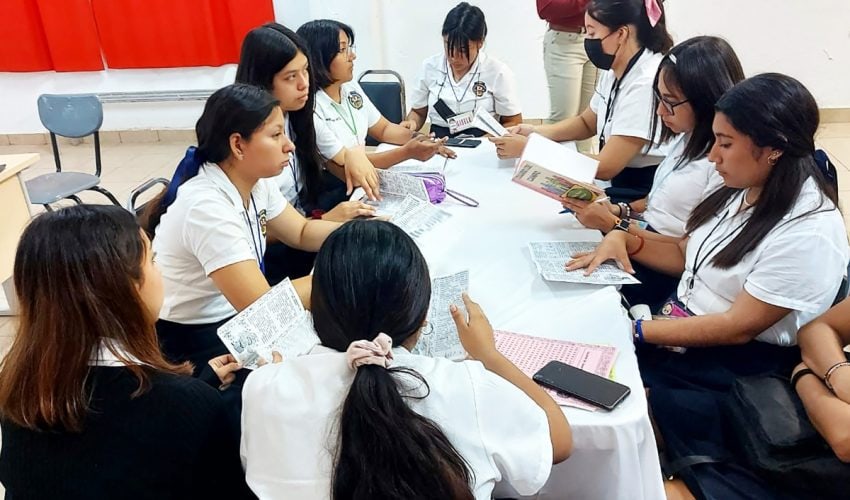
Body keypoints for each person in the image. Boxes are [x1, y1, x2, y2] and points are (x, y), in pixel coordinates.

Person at [240, 220, 572, 499]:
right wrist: (489, 355)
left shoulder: (263, 387)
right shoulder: (465, 387)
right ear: (422, 317)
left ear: (316, 309)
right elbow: (558, 441)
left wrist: (274, 379)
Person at [565, 73, 849, 393]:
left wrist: (635, 330)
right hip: (681, 329)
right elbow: (684, 253)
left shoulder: (808, 233)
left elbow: (735, 327)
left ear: (775, 149)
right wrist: (623, 236)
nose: (713, 156)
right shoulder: (744, 187)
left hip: (733, 369)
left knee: (590, 384)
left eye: (725, 144)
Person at [0, 205, 253, 499]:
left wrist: (199, 387)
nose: (160, 272)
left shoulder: (17, 385)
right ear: (127, 286)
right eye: (153, 261)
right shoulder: (187, 405)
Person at [146, 84, 340, 374]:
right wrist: (338, 275)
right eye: (276, 135)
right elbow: (263, 308)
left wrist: (360, 233)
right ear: (238, 145)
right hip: (193, 339)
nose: (289, 145)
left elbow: (300, 231)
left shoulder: (255, 181)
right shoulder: (206, 207)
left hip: (233, 314)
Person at [562, 36, 744, 311]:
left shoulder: (724, 166)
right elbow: (660, 202)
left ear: (705, 99)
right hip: (644, 238)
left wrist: (615, 225)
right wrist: (620, 212)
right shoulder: (687, 137)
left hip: (662, 270)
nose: (660, 111)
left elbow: (688, 257)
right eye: (658, 98)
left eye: (669, 102)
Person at [660, 297, 850, 500]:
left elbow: (843, 439)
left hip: (815, 475)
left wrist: (803, 374)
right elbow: (816, 330)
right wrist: (837, 372)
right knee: (654, 410)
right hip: (778, 428)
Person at [236, 22, 378, 284]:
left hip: (301, 223)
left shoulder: (297, 114)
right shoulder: (249, 142)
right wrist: (324, 219)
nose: (305, 84)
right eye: (291, 77)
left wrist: (355, 155)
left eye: (305, 71)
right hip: (275, 249)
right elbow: (255, 232)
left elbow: (344, 157)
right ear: (263, 80)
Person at [491, 0, 673, 203]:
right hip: (617, 180)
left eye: (592, 33)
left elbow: (605, 167)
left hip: (641, 191)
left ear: (621, 34)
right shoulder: (617, 67)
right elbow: (586, 123)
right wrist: (535, 132)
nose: (587, 40)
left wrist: (530, 150)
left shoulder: (645, 84)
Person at [297, 19, 456, 170]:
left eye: (350, 48)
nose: (352, 56)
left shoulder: (350, 87)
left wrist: (424, 140)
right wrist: (407, 152)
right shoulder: (313, 108)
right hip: (340, 182)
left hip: (366, 175)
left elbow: (384, 129)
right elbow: (350, 166)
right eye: (343, 50)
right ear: (319, 57)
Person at [403, 2, 523, 138]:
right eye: (448, 46)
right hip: (439, 140)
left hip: (484, 139)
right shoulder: (429, 67)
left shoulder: (497, 72)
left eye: (462, 49)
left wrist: (489, 139)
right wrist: (412, 123)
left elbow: (513, 122)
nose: (454, 57)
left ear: (480, 42)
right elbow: (418, 113)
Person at [536, 0, 596, 152]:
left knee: (590, 118)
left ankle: (584, 164)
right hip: (564, 43)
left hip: (596, 39)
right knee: (563, 118)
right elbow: (545, 8)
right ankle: (547, 163)